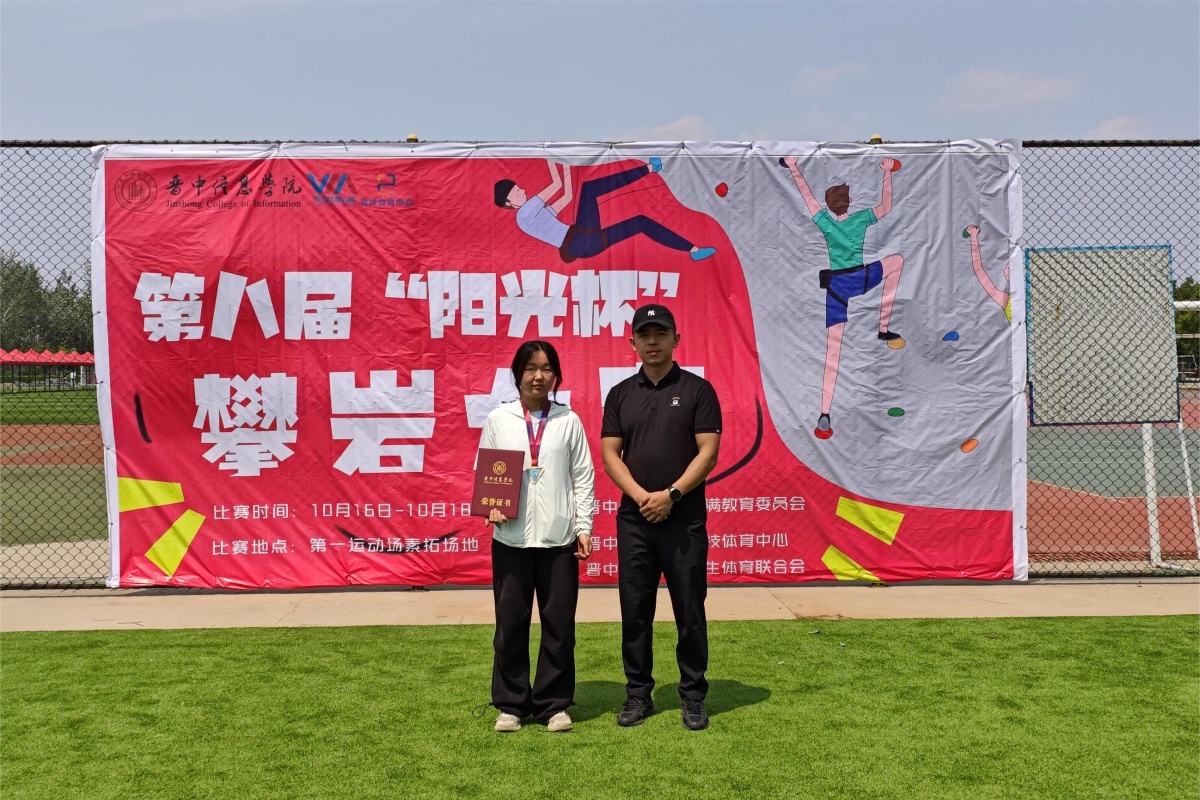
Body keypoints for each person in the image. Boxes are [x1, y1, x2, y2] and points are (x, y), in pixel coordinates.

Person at [600, 304, 722, 731]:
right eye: (644, 334)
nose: (652, 341)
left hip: (684, 520)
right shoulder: (620, 394)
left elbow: (708, 452)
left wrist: (671, 495)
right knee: (635, 610)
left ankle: (693, 695)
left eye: (660, 333)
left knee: (689, 609)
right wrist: (641, 497)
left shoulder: (698, 390)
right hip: (635, 520)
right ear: (632, 342)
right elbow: (610, 454)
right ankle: (638, 693)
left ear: (676, 339)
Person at [481, 340, 595, 733]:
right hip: (510, 540)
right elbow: (487, 470)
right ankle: (511, 704)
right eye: (530, 368)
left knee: (559, 626)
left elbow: (583, 478)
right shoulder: (499, 419)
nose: (538, 376)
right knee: (510, 624)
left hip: (558, 540)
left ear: (556, 376)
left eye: (546, 368)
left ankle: (553, 704)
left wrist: (583, 526)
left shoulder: (568, 421)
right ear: (517, 375)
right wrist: (491, 506)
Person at [781, 155, 906, 440]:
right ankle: (883, 327)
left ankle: (825, 413)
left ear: (828, 205)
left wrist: (794, 168)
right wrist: (887, 173)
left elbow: (808, 198)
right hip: (859, 278)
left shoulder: (826, 222)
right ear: (849, 202)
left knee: (833, 351)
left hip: (838, 285)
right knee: (896, 261)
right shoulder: (860, 219)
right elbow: (886, 206)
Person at [494, 158, 717, 263]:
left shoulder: (531, 216)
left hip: (585, 244)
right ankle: (649, 168)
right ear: (508, 202)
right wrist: (552, 157)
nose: (522, 190)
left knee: (640, 222)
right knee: (590, 189)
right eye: (516, 191)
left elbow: (567, 196)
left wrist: (567, 166)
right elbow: (556, 185)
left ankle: (693, 249)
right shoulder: (524, 213)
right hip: (579, 240)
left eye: (518, 187)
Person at [963, 224, 1012, 322]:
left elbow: (978, 269)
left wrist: (973, 236)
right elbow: (978, 269)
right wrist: (973, 238)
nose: (1004, 269)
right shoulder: (1005, 298)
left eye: (1007, 267)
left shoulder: (1005, 298)